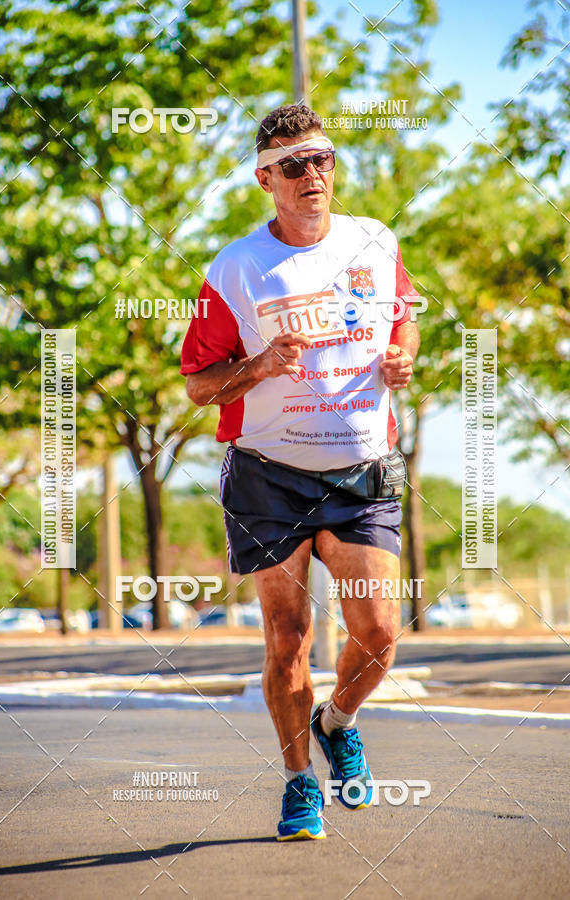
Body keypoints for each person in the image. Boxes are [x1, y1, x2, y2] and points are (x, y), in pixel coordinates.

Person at [181, 104, 420, 841]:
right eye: (293, 165)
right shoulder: (236, 267)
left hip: (363, 470)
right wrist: (257, 366)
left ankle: (337, 720)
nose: (311, 174)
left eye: (322, 159)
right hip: (269, 474)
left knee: (380, 631)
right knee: (287, 636)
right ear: (266, 179)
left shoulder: (374, 241)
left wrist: (402, 357)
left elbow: (404, 314)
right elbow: (198, 384)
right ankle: (298, 784)